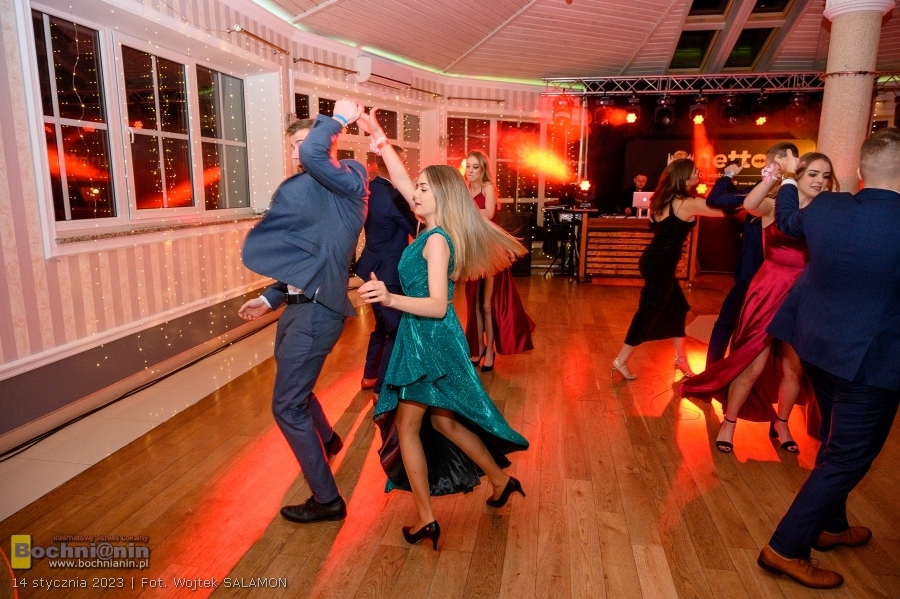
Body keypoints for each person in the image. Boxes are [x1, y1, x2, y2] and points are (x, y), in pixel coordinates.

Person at [356, 110, 529, 549]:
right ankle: (500, 481)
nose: (413, 192)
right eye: (415, 187)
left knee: (409, 428)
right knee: (445, 424)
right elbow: (399, 177)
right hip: (424, 337)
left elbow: (436, 305)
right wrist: (379, 137)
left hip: (429, 339)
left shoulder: (436, 240)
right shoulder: (429, 227)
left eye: (422, 189)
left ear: (442, 198)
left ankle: (426, 519)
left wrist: (389, 298)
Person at [756, 130, 900, 589]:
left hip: (815, 345)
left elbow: (786, 221)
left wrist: (790, 179)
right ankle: (785, 548)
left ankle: (832, 526)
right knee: (847, 456)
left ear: (860, 170)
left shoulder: (827, 207)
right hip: (871, 361)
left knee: (836, 438)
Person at [238, 101, 368, 524]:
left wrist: (339, 117)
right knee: (297, 392)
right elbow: (304, 258)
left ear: (325, 144)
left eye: (301, 144)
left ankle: (327, 500)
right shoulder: (317, 192)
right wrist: (270, 299)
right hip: (296, 310)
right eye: (292, 146)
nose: (297, 154)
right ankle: (326, 441)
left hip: (315, 314)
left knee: (287, 406)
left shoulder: (351, 180)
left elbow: (315, 153)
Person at [679, 153, 837, 454]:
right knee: (751, 363)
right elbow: (750, 204)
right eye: (813, 174)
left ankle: (781, 424)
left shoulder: (824, 213)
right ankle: (729, 422)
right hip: (768, 289)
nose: (819, 181)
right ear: (798, 175)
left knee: (794, 369)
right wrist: (774, 176)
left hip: (802, 293)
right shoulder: (774, 205)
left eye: (825, 176)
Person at [611, 159, 722, 380]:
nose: (698, 173)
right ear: (684, 177)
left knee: (678, 308)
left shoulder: (662, 199)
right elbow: (723, 211)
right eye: (694, 171)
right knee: (647, 312)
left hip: (653, 260)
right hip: (660, 264)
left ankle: (681, 359)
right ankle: (620, 360)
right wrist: (726, 181)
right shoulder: (688, 203)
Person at [705, 143, 800, 366]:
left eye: (766, 164)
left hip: (755, 274)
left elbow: (714, 199)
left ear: (777, 163)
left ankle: (714, 375)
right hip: (783, 277)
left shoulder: (764, 194)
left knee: (728, 324)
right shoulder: (797, 195)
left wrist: (728, 174)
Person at [462, 150, 535, 371]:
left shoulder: (488, 187)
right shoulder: (464, 189)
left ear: (483, 169)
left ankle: (490, 351)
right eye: (469, 166)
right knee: (474, 304)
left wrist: (466, 208)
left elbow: (489, 212)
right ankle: (479, 348)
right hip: (472, 250)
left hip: (490, 250)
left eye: (476, 167)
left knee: (487, 306)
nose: (471, 171)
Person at [356, 146, 418, 393]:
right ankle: (382, 389)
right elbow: (417, 229)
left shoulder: (368, 190)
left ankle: (369, 375)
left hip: (371, 268)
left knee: (381, 326)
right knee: (395, 331)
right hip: (389, 273)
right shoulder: (394, 196)